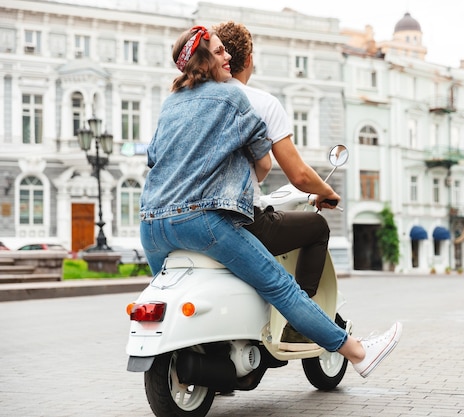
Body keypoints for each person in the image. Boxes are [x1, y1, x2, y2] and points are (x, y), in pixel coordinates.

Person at [140, 25, 401, 378]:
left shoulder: (170, 103)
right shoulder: (233, 98)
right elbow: (263, 161)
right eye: (219, 52)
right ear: (205, 60)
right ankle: (357, 352)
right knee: (280, 285)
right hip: (203, 221)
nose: (227, 56)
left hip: (152, 225)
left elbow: (154, 157)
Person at [213, 21, 339, 343]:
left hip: (198, 216)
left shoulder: (200, 100)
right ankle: (301, 326)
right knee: (318, 228)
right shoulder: (262, 103)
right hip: (242, 218)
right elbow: (297, 174)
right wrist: (326, 191)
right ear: (249, 58)